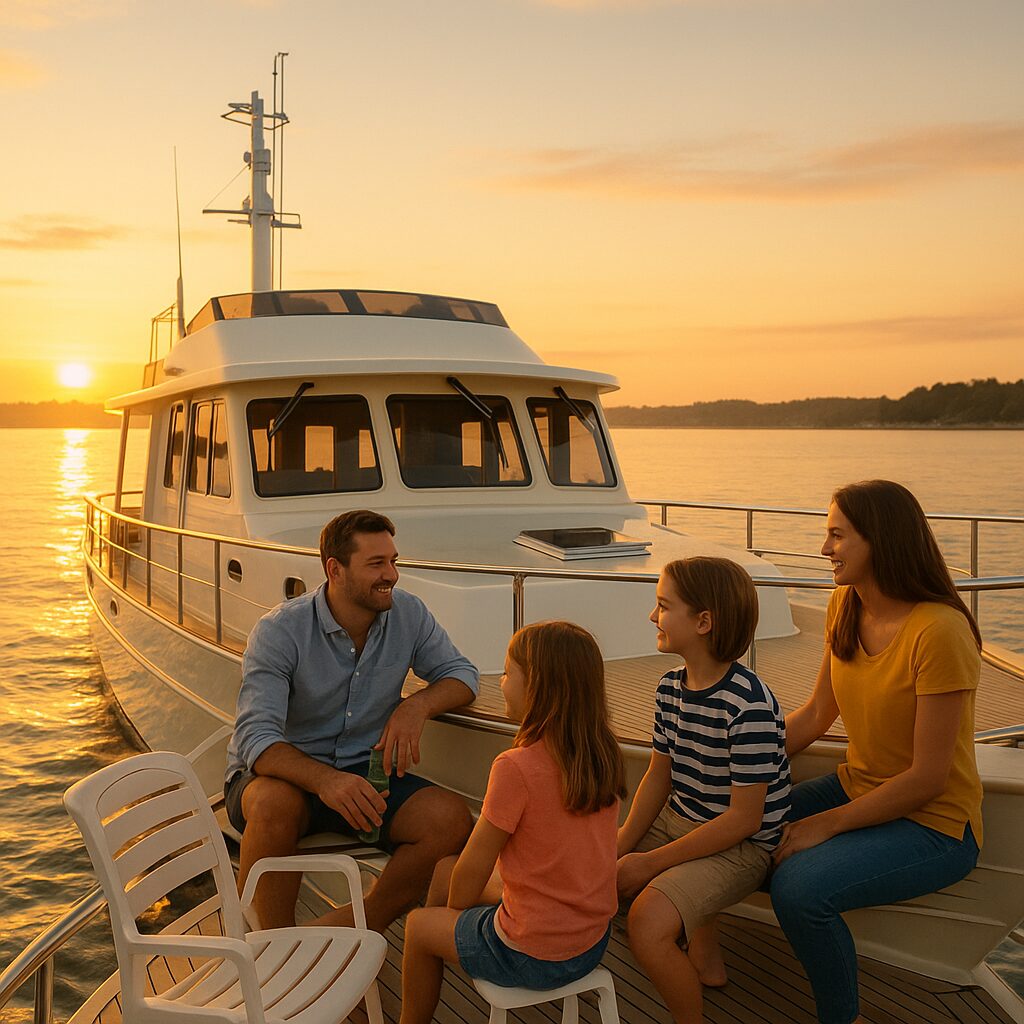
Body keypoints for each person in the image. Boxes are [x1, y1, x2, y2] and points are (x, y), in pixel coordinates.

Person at [770, 480, 983, 1024]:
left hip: (934, 823)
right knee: (746, 819)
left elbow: (928, 778)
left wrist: (827, 825)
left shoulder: (938, 631)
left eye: (837, 535)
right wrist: (737, 765)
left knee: (799, 891)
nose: (824, 549)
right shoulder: (845, 603)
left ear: (880, 539)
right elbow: (818, 715)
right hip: (860, 788)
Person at [224, 509, 479, 931]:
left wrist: (415, 706)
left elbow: (462, 674)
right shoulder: (279, 632)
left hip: (364, 778)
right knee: (274, 805)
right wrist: (326, 781)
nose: (392, 575)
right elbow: (257, 740)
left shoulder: (409, 615)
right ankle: (272, 949)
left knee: (450, 819)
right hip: (284, 782)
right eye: (376, 564)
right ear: (334, 569)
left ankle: (345, 931)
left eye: (394, 561)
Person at [398, 621, 625, 1024]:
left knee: (419, 926)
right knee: (443, 870)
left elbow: (474, 866)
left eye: (506, 673)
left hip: (530, 954)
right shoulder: (603, 755)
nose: (501, 682)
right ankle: (445, 948)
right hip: (590, 942)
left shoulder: (515, 768)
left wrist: (456, 918)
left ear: (535, 686)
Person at [617, 556, 791, 1024]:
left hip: (738, 847)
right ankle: (705, 958)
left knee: (647, 923)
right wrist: (618, 845)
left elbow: (743, 820)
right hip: (681, 823)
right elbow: (659, 776)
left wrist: (648, 863)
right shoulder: (669, 688)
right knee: (590, 873)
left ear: (703, 622)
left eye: (662, 606)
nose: (652, 617)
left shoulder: (748, 705)